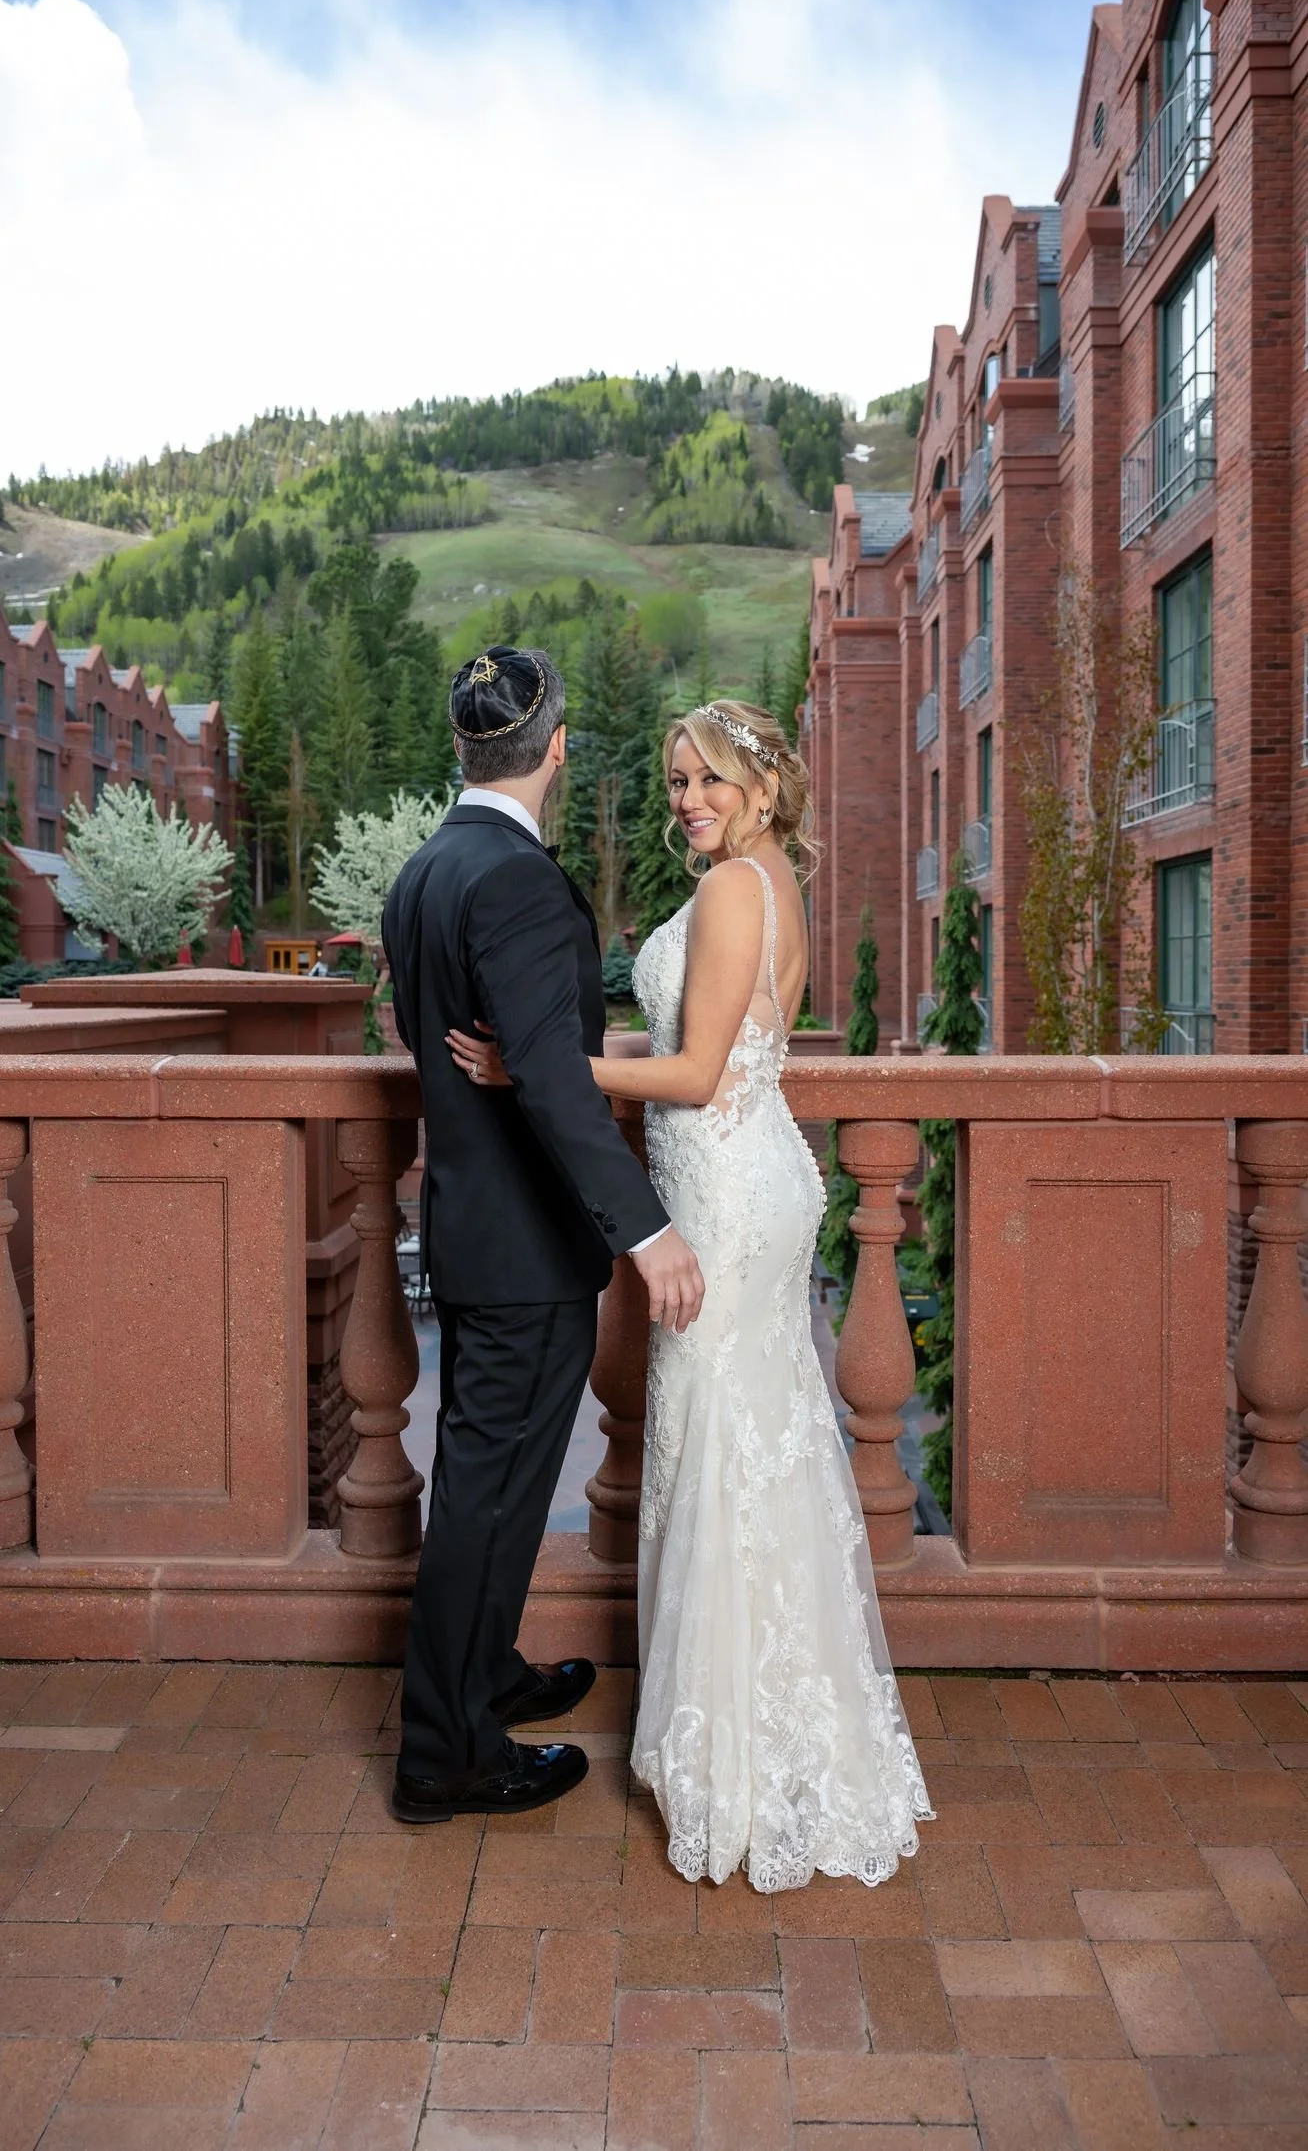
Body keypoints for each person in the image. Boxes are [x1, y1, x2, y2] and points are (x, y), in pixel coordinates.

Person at [451, 698, 932, 1890]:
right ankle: (763, 1735)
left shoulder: (732, 891)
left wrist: (535, 1068)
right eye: (674, 779)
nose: (686, 800)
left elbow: (696, 1070)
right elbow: (708, 1037)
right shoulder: (769, 881)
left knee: (722, 1447)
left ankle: (741, 1762)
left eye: (707, 779)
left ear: (762, 786)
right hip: (750, 1181)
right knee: (749, 1443)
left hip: (723, 1197)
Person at [382, 645, 705, 1825]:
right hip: (521, 1246)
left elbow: (515, 1061)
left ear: (465, 747)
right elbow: (560, 1093)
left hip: (471, 1227)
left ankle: (486, 1678)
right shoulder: (511, 880)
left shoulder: (424, 870)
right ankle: (443, 1756)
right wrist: (647, 1232)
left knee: (499, 1489)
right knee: (487, 1494)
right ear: (556, 748)